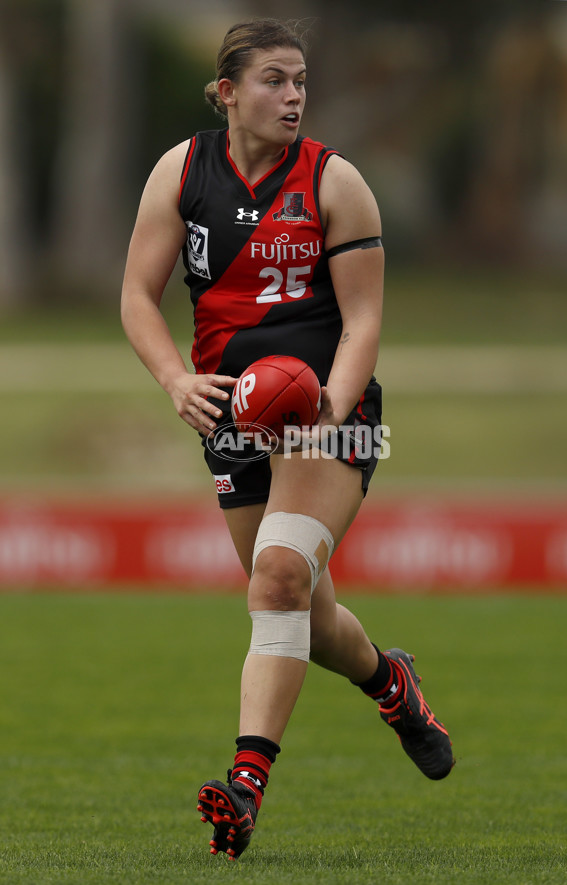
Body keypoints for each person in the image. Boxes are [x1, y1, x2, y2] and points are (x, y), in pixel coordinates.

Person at [121, 18, 454, 861]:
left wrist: (334, 407)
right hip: (233, 418)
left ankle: (244, 784)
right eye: (274, 79)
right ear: (227, 93)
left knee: (275, 576)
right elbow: (136, 296)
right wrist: (176, 380)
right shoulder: (182, 170)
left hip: (326, 418)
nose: (294, 95)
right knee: (306, 605)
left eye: (301, 79)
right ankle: (391, 680)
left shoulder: (337, 183)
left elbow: (367, 319)